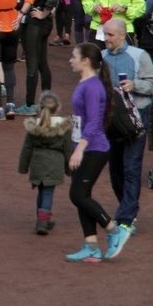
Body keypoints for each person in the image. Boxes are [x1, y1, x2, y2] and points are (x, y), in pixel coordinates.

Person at [65, 43, 132, 263]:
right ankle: (91, 246)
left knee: (78, 195)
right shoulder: (86, 83)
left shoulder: (92, 86)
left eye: (74, 56)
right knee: (82, 195)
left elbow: (94, 122)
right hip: (85, 146)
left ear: (85, 60)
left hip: (94, 149)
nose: (70, 60)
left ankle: (114, 230)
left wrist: (80, 149)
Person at [100, 18, 153, 235]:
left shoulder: (139, 56)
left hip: (136, 117)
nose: (106, 39)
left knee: (131, 167)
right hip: (112, 120)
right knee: (116, 168)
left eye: (110, 35)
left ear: (122, 35)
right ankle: (127, 208)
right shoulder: (102, 58)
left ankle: (126, 218)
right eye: (104, 34)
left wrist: (135, 85)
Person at [18, 92, 71, 235]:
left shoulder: (34, 125)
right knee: (48, 193)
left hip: (37, 163)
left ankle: (42, 218)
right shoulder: (64, 126)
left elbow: (27, 147)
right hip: (54, 165)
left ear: (40, 108)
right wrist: (69, 168)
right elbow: (67, 149)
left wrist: (23, 167)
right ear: (58, 108)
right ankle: (42, 222)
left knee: (41, 192)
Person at [20, 0, 59, 116]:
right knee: (42, 62)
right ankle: (47, 102)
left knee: (32, 64)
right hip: (43, 24)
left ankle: (29, 104)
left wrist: (44, 12)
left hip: (36, 24)